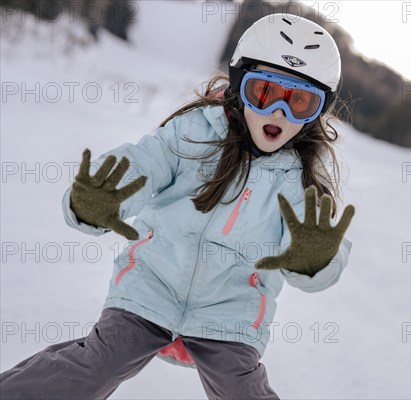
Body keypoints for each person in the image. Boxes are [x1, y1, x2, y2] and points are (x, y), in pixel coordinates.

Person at [0, 13, 355, 400]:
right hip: (152, 286)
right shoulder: (197, 133)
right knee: (98, 364)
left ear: (317, 112)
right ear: (239, 86)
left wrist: (314, 259)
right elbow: (144, 165)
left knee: (242, 390)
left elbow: (317, 252)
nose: (278, 114)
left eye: (299, 102)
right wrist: (99, 202)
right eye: (265, 93)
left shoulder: (302, 177)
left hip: (231, 312)